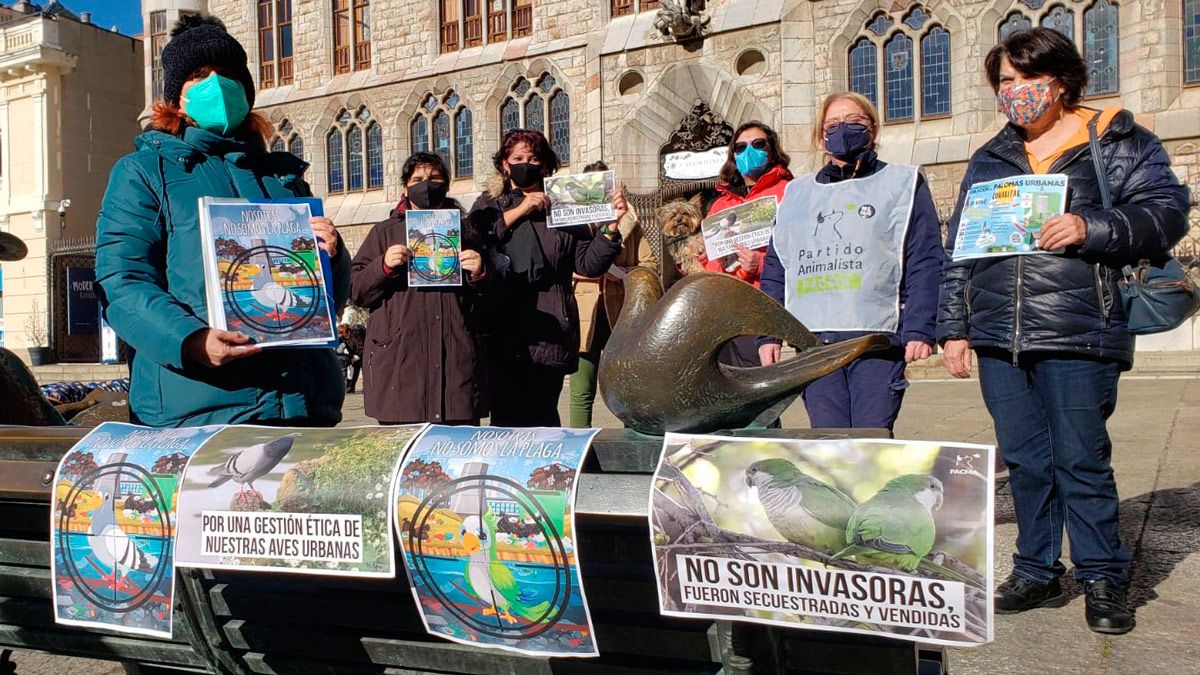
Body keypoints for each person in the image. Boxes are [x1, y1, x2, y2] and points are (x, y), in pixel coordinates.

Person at [937, 28, 1190, 635]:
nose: (1015, 92)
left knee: (1081, 457)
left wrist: (1089, 226)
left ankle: (1103, 575)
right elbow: (960, 250)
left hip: (1081, 325)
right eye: (1005, 82)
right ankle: (1037, 569)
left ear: (1062, 80)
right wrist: (954, 326)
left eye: (1027, 79)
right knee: (1025, 460)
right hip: (1000, 332)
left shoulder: (1118, 140)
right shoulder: (990, 156)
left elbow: (1166, 213)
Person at [95, 14, 350, 428]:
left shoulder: (283, 179)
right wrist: (190, 340)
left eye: (228, 73)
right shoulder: (144, 172)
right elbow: (121, 283)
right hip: (201, 412)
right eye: (199, 74)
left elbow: (329, 301)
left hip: (303, 407)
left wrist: (332, 258)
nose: (217, 83)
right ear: (176, 98)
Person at [759, 92, 942, 432]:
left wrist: (920, 328)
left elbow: (925, 259)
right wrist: (769, 335)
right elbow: (777, 267)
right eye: (833, 124)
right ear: (821, 136)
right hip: (815, 343)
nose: (843, 129)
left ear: (872, 129)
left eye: (854, 122)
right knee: (829, 442)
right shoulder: (796, 195)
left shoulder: (902, 184)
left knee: (870, 440)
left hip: (875, 340)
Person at [469, 130, 625, 427]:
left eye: (533, 158)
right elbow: (479, 239)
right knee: (505, 422)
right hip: (503, 331)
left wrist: (609, 229)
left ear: (545, 165)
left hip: (551, 331)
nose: (525, 164)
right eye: (517, 158)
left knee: (544, 419)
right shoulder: (490, 203)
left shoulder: (564, 202)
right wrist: (522, 209)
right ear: (504, 164)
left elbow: (587, 264)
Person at [350, 152, 490, 425]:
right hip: (400, 375)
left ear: (447, 185)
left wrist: (481, 274)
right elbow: (357, 292)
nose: (427, 185)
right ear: (405, 187)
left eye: (435, 178)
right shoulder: (384, 233)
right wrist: (383, 267)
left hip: (456, 374)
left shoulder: (467, 232)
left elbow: (492, 303)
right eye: (418, 179)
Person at [569, 161, 658, 428]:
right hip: (582, 311)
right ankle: (578, 445)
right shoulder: (572, 222)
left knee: (626, 386)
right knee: (581, 389)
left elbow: (650, 265)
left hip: (620, 311)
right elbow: (556, 265)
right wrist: (588, 273)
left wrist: (619, 272)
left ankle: (632, 438)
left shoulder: (630, 222)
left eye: (604, 185)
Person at [706, 121, 793, 367]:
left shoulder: (789, 191)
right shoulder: (720, 204)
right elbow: (708, 261)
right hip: (725, 312)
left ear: (772, 149)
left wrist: (761, 263)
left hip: (765, 305)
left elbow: (802, 253)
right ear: (733, 155)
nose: (748, 151)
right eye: (740, 147)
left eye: (758, 144)